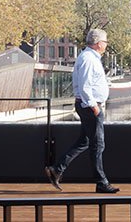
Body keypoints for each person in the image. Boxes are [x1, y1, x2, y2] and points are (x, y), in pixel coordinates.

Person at [45, 28, 119, 193]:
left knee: (84, 141)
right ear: (99, 43)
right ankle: (101, 183)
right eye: (105, 42)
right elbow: (85, 86)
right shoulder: (88, 59)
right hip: (90, 107)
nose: (106, 45)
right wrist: (94, 107)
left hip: (87, 105)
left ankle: (57, 169)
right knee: (98, 145)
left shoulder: (89, 57)